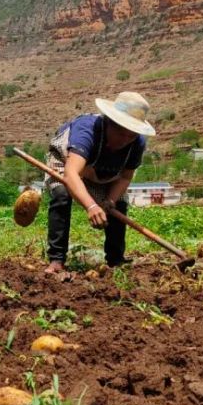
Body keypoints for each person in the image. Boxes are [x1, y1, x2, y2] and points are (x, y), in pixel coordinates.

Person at [44, 91, 155, 274]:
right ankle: (57, 259)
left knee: (118, 205)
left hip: (103, 173)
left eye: (131, 135)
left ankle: (115, 260)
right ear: (109, 122)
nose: (125, 140)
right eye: (121, 133)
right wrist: (91, 206)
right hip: (66, 162)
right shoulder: (87, 130)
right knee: (62, 193)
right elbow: (71, 173)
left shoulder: (137, 143)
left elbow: (125, 177)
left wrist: (109, 202)